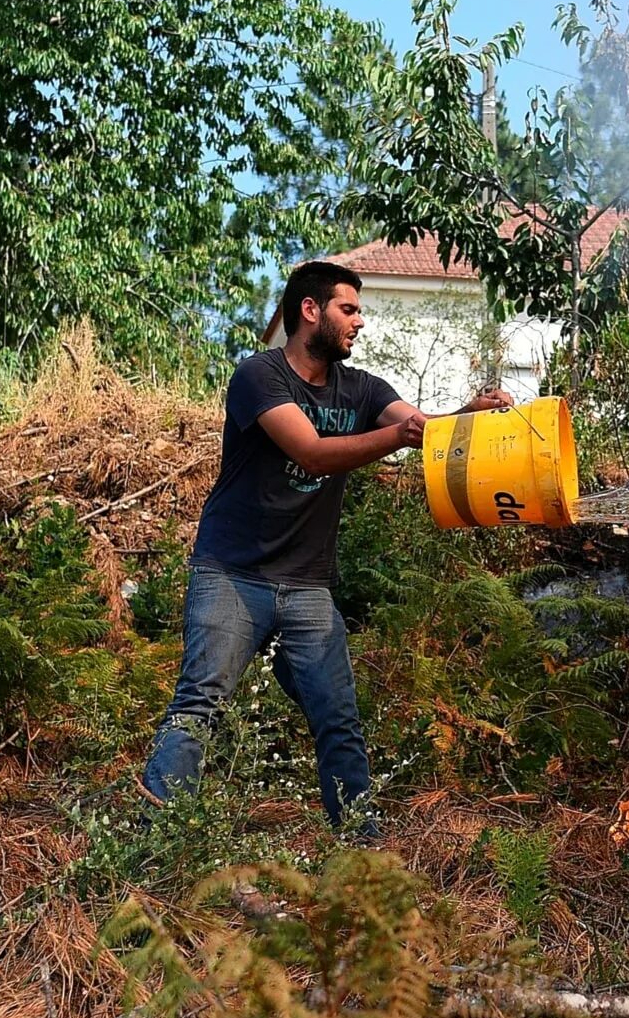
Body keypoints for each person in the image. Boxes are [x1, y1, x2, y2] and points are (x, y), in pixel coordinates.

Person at [140, 260, 513, 832]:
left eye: (359, 310)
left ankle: (361, 848)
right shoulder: (258, 377)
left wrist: (470, 415)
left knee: (337, 716)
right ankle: (154, 839)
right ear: (310, 311)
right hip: (232, 576)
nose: (359, 322)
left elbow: (424, 429)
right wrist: (396, 437)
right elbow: (311, 452)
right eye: (349, 309)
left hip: (307, 585)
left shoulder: (363, 388)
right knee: (200, 703)